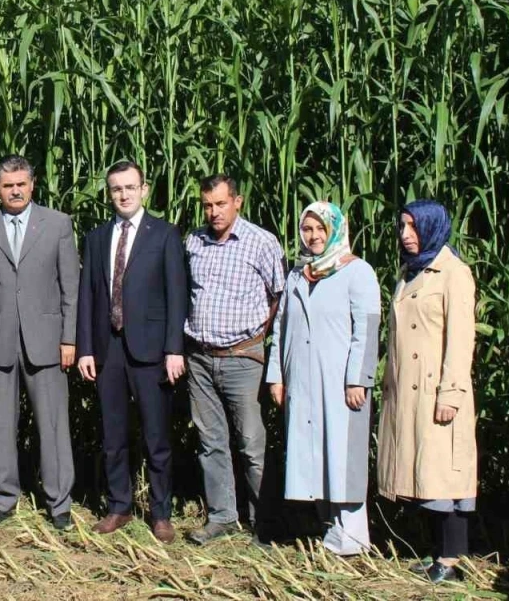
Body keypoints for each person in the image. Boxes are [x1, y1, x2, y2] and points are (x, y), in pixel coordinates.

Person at [0, 154, 80, 530]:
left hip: (45, 340)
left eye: (21, 184)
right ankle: (4, 497)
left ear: (32, 185)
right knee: (0, 423)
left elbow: (69, 288)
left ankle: (59, 502)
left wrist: (69, 339)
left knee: (53, 424)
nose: (15, 190)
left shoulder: (58, 224)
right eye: (7, 185)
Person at [77, 161, 188, 543]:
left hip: (152, 352)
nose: (123, 195)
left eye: (129, 187)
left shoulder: (165, 235)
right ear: (109, 193)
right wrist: (85, 348)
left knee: (156, 436)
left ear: (144, 189)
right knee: (113, 435)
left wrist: (175, 348)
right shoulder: (95, 238)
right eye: (115, 189)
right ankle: (119, 506)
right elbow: (87, 298)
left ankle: (160, 513)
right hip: (109, 350)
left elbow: (177, 298)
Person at [266, 201, 380, 555]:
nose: (313, 237)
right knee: (314, 456)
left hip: (340, 382)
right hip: (303, 379)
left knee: (342, 457)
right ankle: (330, 530)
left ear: (335, 231)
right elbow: (281, 328)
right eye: (307, 230)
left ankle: (353, 537)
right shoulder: (298, 275)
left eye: (320, 230)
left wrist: (357, 378)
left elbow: (367, 328)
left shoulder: (357, 272)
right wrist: (277, 376)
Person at [377, 200, 478, 584]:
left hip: (438, 391)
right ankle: (438, 556)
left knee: (446, 478)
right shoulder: (410, 272)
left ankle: (451, 563)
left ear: (433, 228)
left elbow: (461, 338)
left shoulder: (454, 274)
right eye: (402, 226)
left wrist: (450, 393)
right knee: (427, 476)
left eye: (413, 227)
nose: (405, 234)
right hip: (410, 393)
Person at [183, 174, 286, 545]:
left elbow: (279, 295)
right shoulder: (194, 241)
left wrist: (257, 336)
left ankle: (265, 523)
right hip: (199, 357)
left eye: (221, 203)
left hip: (243, 358)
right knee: (210, 441)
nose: (214, 212)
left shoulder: (261, 242)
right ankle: (222, 516)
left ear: (237, 202)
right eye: (207, 205)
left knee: (250, 442)